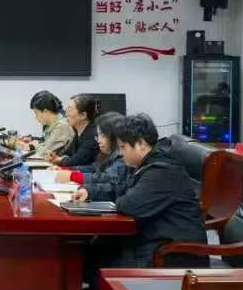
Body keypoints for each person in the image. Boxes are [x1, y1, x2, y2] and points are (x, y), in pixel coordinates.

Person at [72, 114, 207, 268]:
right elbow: (121, 187)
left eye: (123, 147)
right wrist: (90, 192)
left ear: (141, 144)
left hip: (171, 256)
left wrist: (123, 195)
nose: (120, 153)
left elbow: (128, 205)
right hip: (152, 243)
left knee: (89, 258)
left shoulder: (161, 171)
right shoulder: (146, 164)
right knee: (89, 250)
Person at [55, 112, 127, 186]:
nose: (98, 140)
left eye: (103, 136)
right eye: (98, 135)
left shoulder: (121, 157)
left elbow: (106, 178)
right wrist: (67, 170)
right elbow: (93, 168)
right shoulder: (106, 155)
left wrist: (73, 176)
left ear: (115, 137)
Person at [47, 94, 100, 168]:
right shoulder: (77, 130)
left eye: (70, 110)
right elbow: (68, 154)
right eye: (66, 109)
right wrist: (57, 158)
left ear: (83, 115)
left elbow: (76, 161)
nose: (66, 114)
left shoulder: (93, 135)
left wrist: (60, 160)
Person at [17, 91, 75, 158]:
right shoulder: (51, 124)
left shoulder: (61, 126)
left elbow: (45, 153)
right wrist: (33, 142)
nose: (35, 117)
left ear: (45, 112)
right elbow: (47, 143)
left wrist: (33, 146)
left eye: (36, 113)